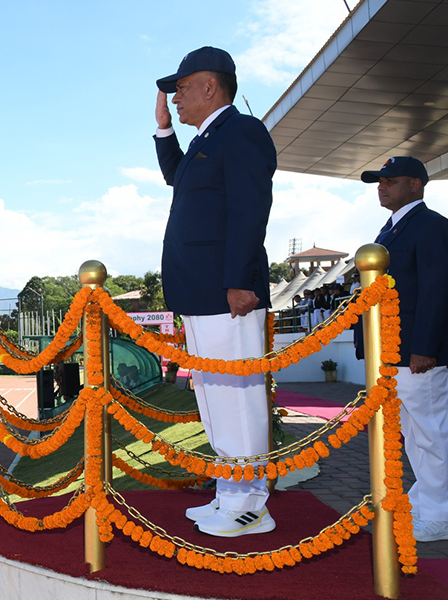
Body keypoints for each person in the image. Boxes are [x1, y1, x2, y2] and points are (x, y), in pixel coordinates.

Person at [154, 46, 276, 537]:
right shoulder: (208, 139)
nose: (175, 97)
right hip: (201, 291)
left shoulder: (241, 132)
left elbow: (251, 208)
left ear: (211, 86)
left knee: (238, 395)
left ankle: (250, 504)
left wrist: (241, 281)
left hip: (228, 291)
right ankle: (230, 492)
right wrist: (164, 127)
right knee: (212, 392)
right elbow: (175, 176)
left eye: (180, 88)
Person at [360, 156, 448, 541]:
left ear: (416, 185)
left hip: (417, 353)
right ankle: (428, 502)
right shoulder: (393, 230)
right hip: (393, 350)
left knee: (430, 433)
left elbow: (437, 291)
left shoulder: (432, 227)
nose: (382, 187)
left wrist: (423, 347)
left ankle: (443, 517)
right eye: (379, 182)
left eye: (391, 180)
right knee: (414, 435)